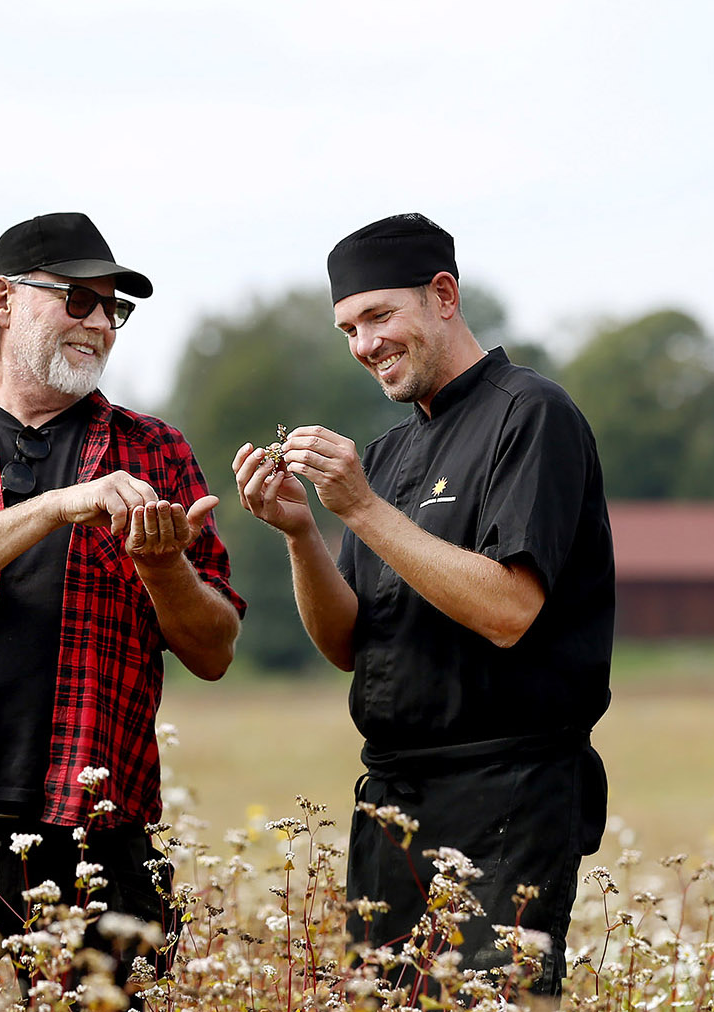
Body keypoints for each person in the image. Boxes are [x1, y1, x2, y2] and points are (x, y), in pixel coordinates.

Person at [0, 212, 244, 988]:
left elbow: (214, 650)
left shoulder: (155, 449)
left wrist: (163, 568)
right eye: (77, 299)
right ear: (3, 301)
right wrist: (60, 504)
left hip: (97, 832)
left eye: (113, 309)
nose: (99, 323)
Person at [231, 213, 612, 999]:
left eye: (378, 316)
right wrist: (303, 530)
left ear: (443, 295)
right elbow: (348, 644)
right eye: (347, 327)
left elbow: (510, 609)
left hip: (512, 793)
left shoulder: (531, 416)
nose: (363, 344)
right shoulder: (390, 454)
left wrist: (363, 509)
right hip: (393, 800)